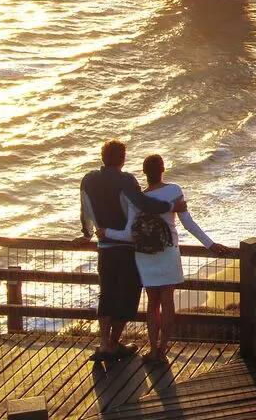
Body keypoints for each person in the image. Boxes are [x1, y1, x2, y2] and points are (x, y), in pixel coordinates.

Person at [79, 141, 176, 364]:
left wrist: (87, 235)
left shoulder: (89, 179)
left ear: (103, 157)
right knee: (127, 295)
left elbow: (84, 208)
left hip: (104, 247)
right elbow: (142, 203)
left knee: (107, 293)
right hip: (126, 247)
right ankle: (114, 343)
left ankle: (104, 343)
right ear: (123, 159)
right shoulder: (126, 180)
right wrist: (170, 207)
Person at [127, 152, 219, 364]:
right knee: (168, 302)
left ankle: (151, 350)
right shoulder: (173, 190)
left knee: (152, 303)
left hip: (145, 254)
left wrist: (102, 234)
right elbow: (188, 223)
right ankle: (162, 349)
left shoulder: (138, 199)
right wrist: (210, 244)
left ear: (144, 173)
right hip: (168, 251)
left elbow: (130, 230)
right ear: (162, 169)